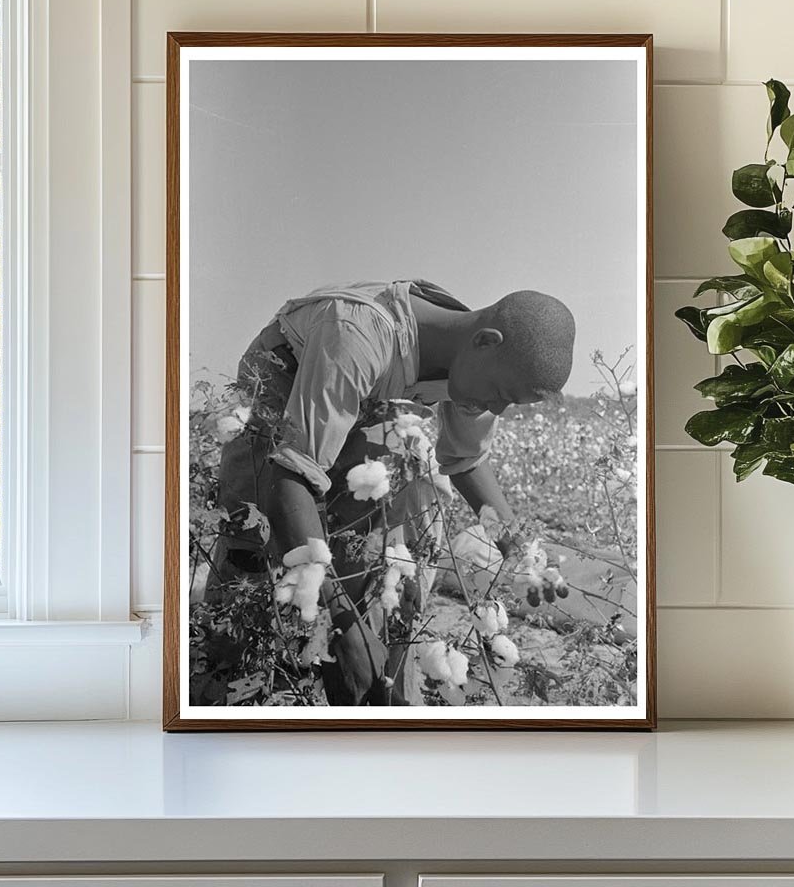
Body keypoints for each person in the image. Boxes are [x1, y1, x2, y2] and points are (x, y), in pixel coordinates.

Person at [209, 278, 576, 705]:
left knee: (385, 548)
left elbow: (466, 460)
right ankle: (221, 688)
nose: (497, 409)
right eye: (499, 395)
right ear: (485, 343)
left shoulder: (470, 361)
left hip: (362, 398)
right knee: (249, 547)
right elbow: (292, 474)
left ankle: (381, 692)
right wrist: (339, 623)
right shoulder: (357, 334)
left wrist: (519, 549)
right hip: (283, 378)